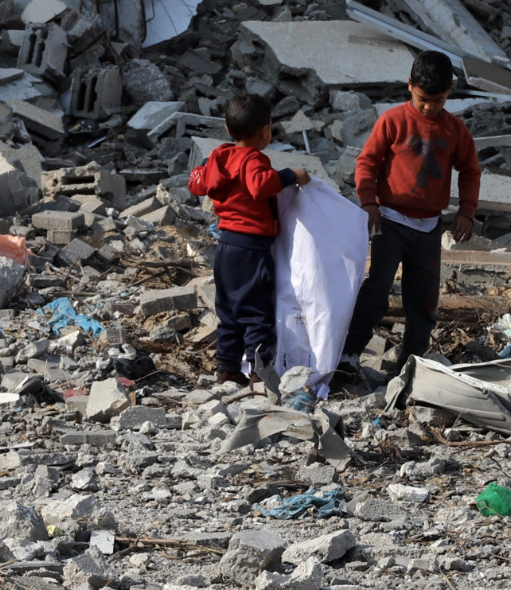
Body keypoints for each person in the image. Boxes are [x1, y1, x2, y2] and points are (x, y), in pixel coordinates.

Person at [338, 52, 479, 380]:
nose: (429, 107)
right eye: (423, 99)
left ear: (451, 91)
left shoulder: (455, 130)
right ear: (410, 86)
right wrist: (368, 202)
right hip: (389, 221)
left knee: (424, 300)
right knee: (375, 291)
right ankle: (348, 356)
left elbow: (470, 171)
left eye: (438, 100)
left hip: (429, 228)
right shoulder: (392, 120)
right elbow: (367, 163)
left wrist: (467, 213)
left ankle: (409, 367)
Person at [187, 92, 310, 386]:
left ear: (228, 130)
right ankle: (259, 372)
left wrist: (203, 168)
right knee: (256, 313)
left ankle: (227, 369)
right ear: (266, 130)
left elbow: (196, 183)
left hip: (225, 247)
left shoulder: (218, 157)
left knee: (228, 310)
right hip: (252, 250)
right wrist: (292, 175)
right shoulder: (255, 159)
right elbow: (260, 186)